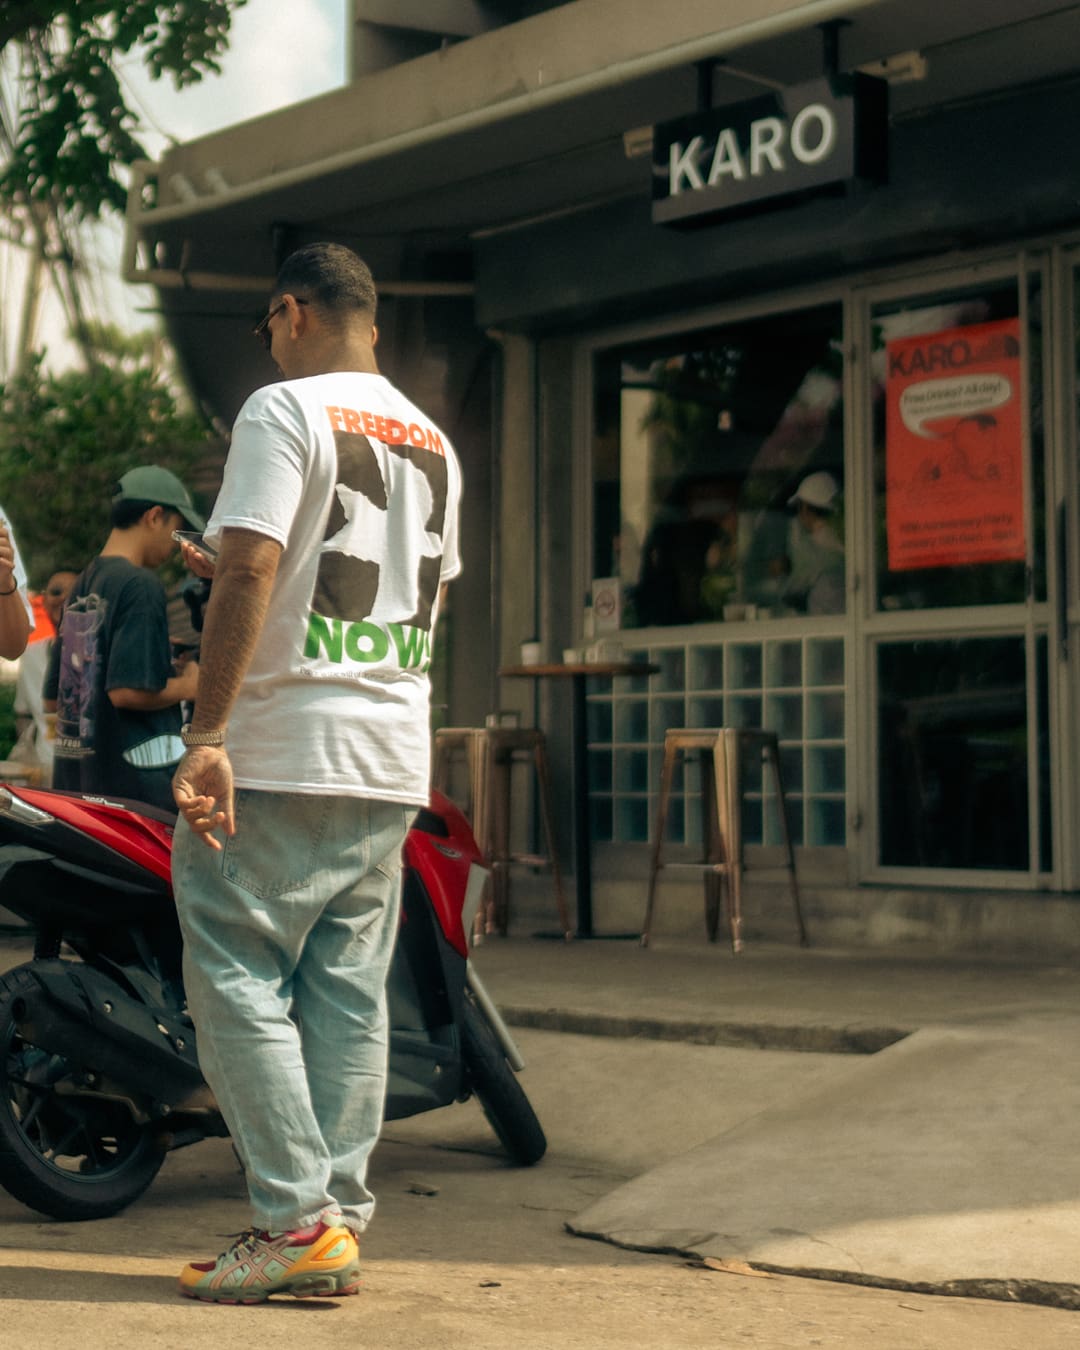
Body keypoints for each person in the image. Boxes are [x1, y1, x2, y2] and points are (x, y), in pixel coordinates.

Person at [170, 242, 463, 1304]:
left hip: (287, 744)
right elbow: (409, 593)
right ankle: (333, 1220)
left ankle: (293, 1220)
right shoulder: (434, 440)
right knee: (346, 993)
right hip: (390, 753)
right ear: (370, 321)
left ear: (291, 314)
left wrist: (208, 736)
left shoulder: (280, 412)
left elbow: (253, 564)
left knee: (235, 969)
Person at [43, 467, 203, 812]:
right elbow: (126, 691)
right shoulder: (140, 585)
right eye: (176, 530)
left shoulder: (82, 586)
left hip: (80, 791)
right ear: (155, 516)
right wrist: (191, 685)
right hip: (136, 801)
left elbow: (55, 700)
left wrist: (155, 651)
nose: (176, 546)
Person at [11, 569, 78, 783]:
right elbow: (22, 714)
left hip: (93, 773)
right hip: (45, 774)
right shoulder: (29, 655)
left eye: (74, 590)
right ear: (45, 600)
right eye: (56, 591)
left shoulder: (106, 654)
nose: (63, 598)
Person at [781, 470, 845, 615]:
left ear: (804, 508)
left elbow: (793, 591)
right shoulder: (846, 541)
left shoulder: (809, 547)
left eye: (799, 507)